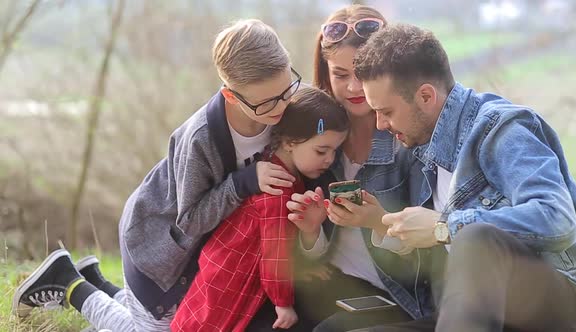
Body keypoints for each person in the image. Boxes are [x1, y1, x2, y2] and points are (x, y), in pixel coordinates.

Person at [12, 19, 302, 332]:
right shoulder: (200, 139)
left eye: (287, 90)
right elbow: (190, 220)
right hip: (158, 247)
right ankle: (68, 282)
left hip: (203, 256)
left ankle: (97, 281)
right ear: (231, 96)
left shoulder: (286, 107)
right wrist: (243, 183)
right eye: (267, 103)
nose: (283, 105)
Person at [347, 23, 576, 332]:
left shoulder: (500, 130)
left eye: (387, 112)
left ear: (425, 96)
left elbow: (557, 219)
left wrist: (443, 227)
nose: (380, 125)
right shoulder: (421, 147)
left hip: (564, 301)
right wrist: (381, 222)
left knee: (477, 236)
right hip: (476, 311)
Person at [286, 5, 424, 332]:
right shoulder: (319, 142)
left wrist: (378, 221)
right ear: (326, 73)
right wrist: (309, 232)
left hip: (395, 296)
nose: (353, 88)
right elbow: (317, 251)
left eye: (364, 74)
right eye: (341, 75)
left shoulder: (407, 144)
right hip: (334, 286)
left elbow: (428, 257)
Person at [171, 86, 350, 332]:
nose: (330, 160)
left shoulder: (281, 171)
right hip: (229, 280)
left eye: (335, 151)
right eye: (322, 150)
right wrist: (283, 303)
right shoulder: (278, 189)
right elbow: (274, 256)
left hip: (233, 273)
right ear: (289, 142)